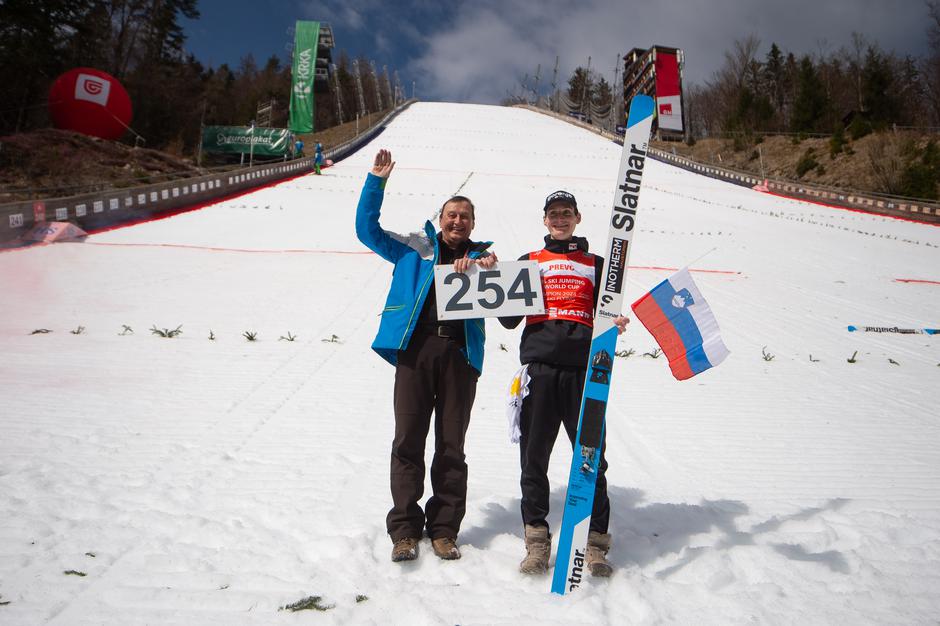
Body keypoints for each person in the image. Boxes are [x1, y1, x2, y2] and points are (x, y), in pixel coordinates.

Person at [355, 148, 497, 563]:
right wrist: (375, 182)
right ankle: (404, 530)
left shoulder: (483, 260)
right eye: (451, 214)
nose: (458, 221)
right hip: (415, 352)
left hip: (459, 356)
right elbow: (367, 230)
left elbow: (506, 302)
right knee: (408, 442)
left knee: (452, 446)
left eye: (465, 216)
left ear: (473, 224)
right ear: (441, 219)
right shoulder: (414, 249)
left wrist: (487, 269)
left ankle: (444, 530)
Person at [499, 190, 629, 577]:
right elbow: (507, 320)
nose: (560, 219)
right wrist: (487, 275)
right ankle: (537, 541)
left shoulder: (597, 264)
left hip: (584, 375)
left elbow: (609, 313)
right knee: (533, 459)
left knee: (590, 458)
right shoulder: (530, 262)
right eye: (553, 213)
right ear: (544, 220)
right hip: (538, 372)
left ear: (577, 218)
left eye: (566, 213)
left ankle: (595, 544)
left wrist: (614, 322)